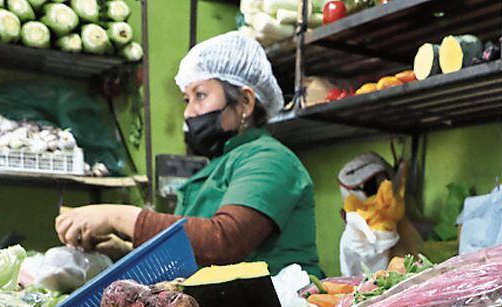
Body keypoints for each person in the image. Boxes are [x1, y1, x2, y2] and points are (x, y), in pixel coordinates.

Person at [54, 32, 321, 276]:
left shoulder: (270, 159)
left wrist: (117, 216)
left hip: (280, 304)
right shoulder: (218, 166)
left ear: (245, 102)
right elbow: (194, 253)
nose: (188, 112)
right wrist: (123, 250)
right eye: (187, 99)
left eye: (200, 95)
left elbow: (223, 241)